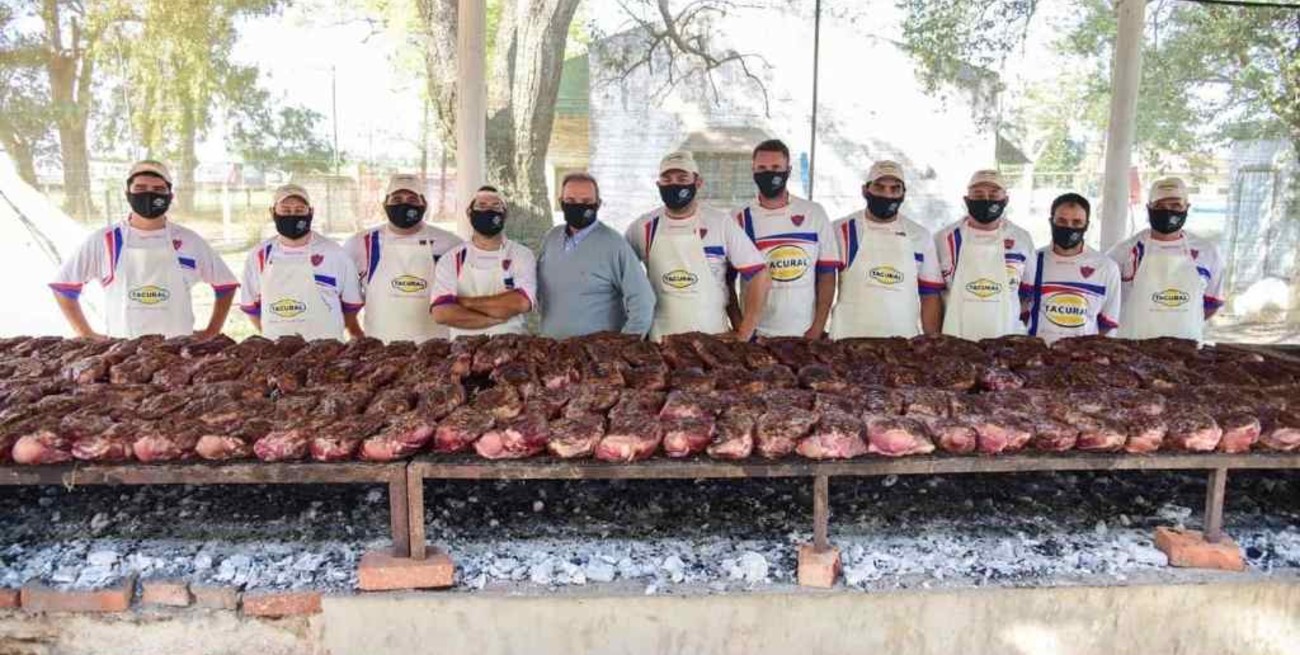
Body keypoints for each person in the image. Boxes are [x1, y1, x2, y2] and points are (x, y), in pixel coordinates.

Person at [50, 160, 239, 339]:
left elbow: (226, 285)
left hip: (179, 354)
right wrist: (86, 334)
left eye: (158, 189)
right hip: (123, 357)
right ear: (127, 193)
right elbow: (64, 287)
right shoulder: (104, 241)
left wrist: (212, 331)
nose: (149, 195)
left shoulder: (190, 241)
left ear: (169, 195)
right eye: (140, 189)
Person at [625, 151, 771, 341]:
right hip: (658, 342)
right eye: (667, 180)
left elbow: (760, 275)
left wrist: (745, 332)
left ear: (698, 182)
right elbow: (618, 276)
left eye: (682, 178)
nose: (674, 184)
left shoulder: (720, 223)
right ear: (658, 185)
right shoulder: (642, 227)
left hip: (714, 341)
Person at [728, 139, 840, 338]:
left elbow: (827, 275)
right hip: (757, 336)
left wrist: (817, 328)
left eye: (776, 167)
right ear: (753, 170)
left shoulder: (813, 213)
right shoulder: (738, 218)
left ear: (788, 170)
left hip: (804, 335)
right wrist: (740, 326)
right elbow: (726, 280)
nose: (769, 173)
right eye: (762, 168)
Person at [829, 160, 944, 338]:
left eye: (895, 189)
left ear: (904, 193)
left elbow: (929, 295)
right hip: (847, 340)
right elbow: (822, 284)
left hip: (903, 344)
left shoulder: (920, 236)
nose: (887, 195)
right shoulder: (840, 230)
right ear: (865, 190)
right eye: (880, 187)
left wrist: (932, 342)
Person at [343, 174, 462, 343]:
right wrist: (356, 335)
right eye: (397, 199)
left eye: (412, 200)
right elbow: (345, 298)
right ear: (385, 204)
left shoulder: (451, 244)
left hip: (436, 353)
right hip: (379, 353)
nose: (404, 204)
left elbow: (466, 298)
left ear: (424, 204)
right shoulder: (360, 244)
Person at [536, 172, 655, 338]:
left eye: (586, 202)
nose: (578, 206)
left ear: (598, 204)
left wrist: (623, 348)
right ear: (560, 202)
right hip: (550, 351)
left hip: (596, 358)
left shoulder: (614, 245)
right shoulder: (551, 238)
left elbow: (643, 302)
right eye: (570, 201)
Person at [1107, 177, 1224, 342]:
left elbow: (1211, 304)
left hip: (1185, 351)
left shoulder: (1208, 252)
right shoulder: (1123, 252)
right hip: (1133, 349)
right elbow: (1105, 303)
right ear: (1149, 208)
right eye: (1160, 206)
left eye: (1175, 205)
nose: (1168, 211)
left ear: (1187, 207)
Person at [239, 184, 363, 340]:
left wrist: (331, 334)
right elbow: (251, 307)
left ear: (311, 212)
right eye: (285, 210)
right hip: (276, 355)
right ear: (273, 212)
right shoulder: (258, 256)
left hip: (328, 354)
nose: (292, 215)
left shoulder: (335, 254)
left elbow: (351, 306)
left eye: (299, 210)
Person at [934, 169, 1035, 341]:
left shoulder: (1022, 239)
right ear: (967, 200)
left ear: (1006, 200)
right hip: (955, 342)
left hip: (1005, 344)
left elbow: (1027, 295)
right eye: (978, 195)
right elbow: (932, 296)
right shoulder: (944, 239)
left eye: (994, 195)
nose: (986, 200)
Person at [430, 186, 536, 338]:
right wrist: (495, 320)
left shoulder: (521, 255)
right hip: (463, 351)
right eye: (482, 206)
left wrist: (463, 303)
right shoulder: (451, 258)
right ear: (469, 213)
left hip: (511, 347)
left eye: (495, 206)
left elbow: (521, 302)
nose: (488, 211)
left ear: (505, 214)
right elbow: (441, 313)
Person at [1021, 193, 1122, 344]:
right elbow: (1020, 311)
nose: (1069, 227)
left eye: (1076, 223)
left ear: (1086, 225)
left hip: (1083, 360)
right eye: (1062, 221)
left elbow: (1107, 325)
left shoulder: (1106, 267)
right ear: (1051, 221)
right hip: (1038, 357)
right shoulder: (1033, 260)